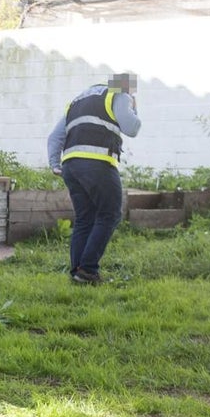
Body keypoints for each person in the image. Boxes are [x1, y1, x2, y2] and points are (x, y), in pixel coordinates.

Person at [47, 72, 141, 284]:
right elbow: (131, 128)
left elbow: (54, 137)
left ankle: (77, 272)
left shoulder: (76, 102)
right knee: (109, 215)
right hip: (97, 163)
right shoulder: (119, 95)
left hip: (70, 165)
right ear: (127, 86)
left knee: (85, 218)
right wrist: (134, 104)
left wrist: (55, 163)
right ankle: (88, 269)